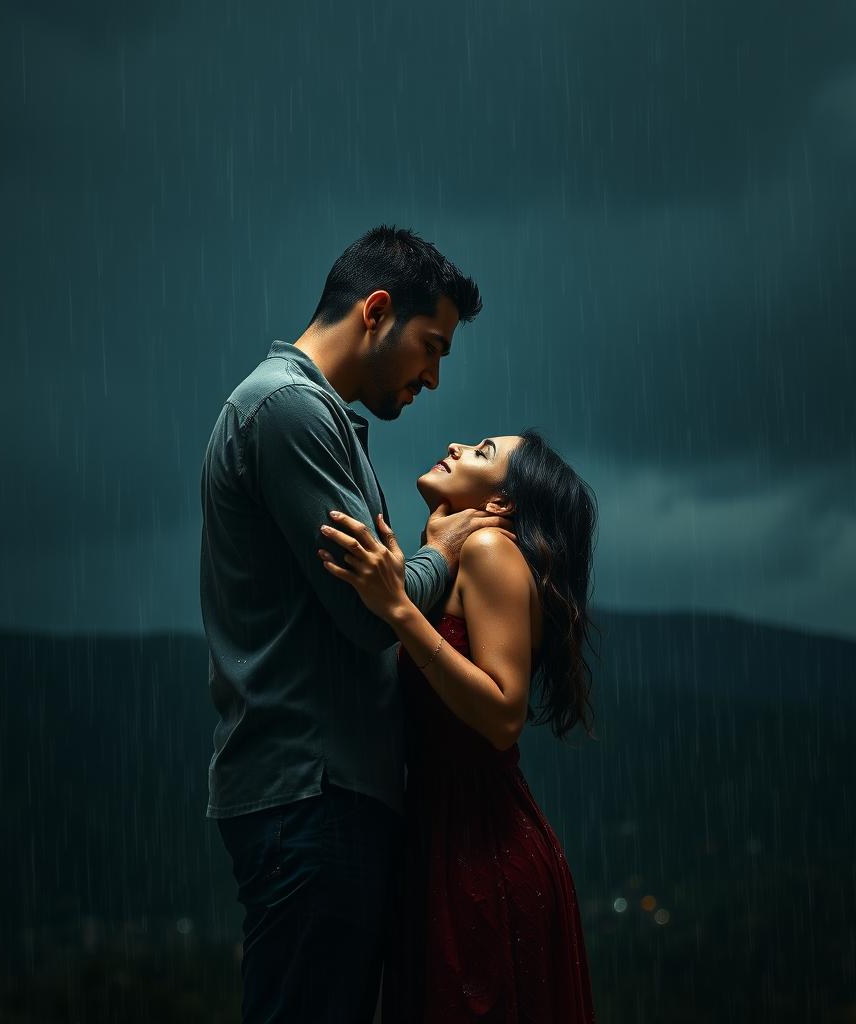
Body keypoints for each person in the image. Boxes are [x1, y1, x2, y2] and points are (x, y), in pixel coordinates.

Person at [199, 226, 513, 1024]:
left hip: (328, 797)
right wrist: (440, 549)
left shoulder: (316, 418)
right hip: (312, 794)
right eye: (432, 346)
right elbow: (373, 614)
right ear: (377, 310)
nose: (435, 379)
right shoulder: (287, 411)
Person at [318, 430, 599, 1023]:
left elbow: (503, 715)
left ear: (499, 505)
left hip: (483, 853)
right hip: (442, 843)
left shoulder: (490, 550)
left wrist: (396, 606)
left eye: (482, 452)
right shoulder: (453, 556)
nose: (455, 445)